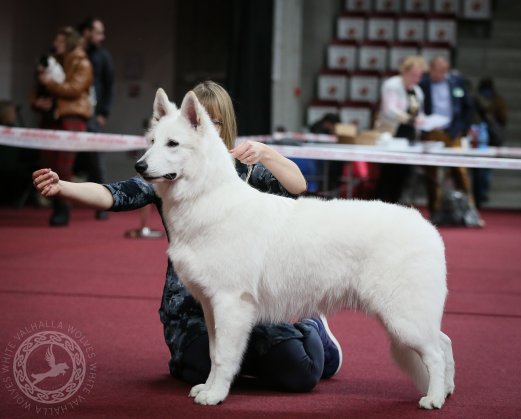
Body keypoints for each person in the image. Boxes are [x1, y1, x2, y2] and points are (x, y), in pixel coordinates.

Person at [33, 81, 343, 392]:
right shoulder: (165, 171)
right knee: (196, 368)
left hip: (245, 304)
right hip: (189, 311)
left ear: (225, 125)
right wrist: (64, 187)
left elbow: (297, 185)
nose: (202, 125)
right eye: (195, 117)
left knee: (301, 371)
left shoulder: (245, 171)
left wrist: (266, 153)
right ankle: (235, 364)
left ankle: (310, 325)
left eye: (213, 120)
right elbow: (113, 195)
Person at [37, 26, 93, 226]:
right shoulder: (53, 61)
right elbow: (36, 90)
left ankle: (63, 208)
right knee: (48, 163)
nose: (56, 45)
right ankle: (56, 206)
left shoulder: (82, 63)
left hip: (71, 118)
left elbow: (74, 89)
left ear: (69, 42)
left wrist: (49, 84)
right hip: (52, 118)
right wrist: (37, 102)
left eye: (60, 41)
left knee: (64, 166)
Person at [419, 56, 482, 226]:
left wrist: (462, 128)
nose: (438, 74)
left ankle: (470, 211)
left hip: (453, 132)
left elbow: (468, 106)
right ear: (430, 69)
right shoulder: (423, 83)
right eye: (435, 70)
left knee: (460, 171)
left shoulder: (457, 82)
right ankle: (435, 212)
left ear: (447, 70)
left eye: (442, 71)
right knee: (431, 173)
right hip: (431, 132)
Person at [75, 17, 115, 220]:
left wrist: (103, 113)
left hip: (92, 115)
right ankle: (60, 206)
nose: (102, 37)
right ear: (87, 32)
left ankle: (103, 205)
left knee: (96, 161)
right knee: (65, 160)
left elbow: (109, 86)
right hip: (71, 114)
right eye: (98, 32)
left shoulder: (103, 56)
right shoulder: (72, 53)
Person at [374, 55, 427, 204]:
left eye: (419, 76)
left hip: (409, 135)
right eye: (414, 75)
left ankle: (396, 203)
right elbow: (389, 109)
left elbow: (419, 111)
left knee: (404, 173)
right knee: (389, 172)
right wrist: (408, 118)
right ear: (404, 71)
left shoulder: (417, 91)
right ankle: (383, 203)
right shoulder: (392, 85)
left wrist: (422, 119)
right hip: (392, 133)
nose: (416, 79)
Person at [470, 77, 507, 209]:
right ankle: (482, 192)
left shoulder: (476, 99)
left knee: (479, 169)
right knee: (485, 169)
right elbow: (503, 119)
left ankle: (478, 193)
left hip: (483, 138)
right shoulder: (497, 100)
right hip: (487, 139)